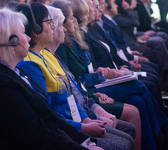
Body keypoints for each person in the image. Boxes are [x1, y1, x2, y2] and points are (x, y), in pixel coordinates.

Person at [0, 8, 103, 150]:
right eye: (23, 32)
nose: (28, 38)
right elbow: (36, 138)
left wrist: (85, 142)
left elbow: (49, 117)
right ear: (11, 41)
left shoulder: (8, 73)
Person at [16, 2, 134, 150]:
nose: (54, 27)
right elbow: (49, 113)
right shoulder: (29, 64)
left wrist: (85, 119)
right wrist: (82, 127)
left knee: (128, 137)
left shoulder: (46, 55)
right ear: (36, 29)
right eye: (49, 22)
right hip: (65, 130)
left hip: (76, 121)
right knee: (124, 143)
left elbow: (70, 93)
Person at [54, 0, 168, 149]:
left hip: (91, 87)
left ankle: (156, 140)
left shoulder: (81, 35)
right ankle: (161, 132)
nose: (98, 10)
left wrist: (105, 71)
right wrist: (101, 80)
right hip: (90, 91)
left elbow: (86, 71)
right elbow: (77, 81)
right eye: (71, 18)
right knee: (139, 84)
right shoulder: (65, 44)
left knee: (137, 100)